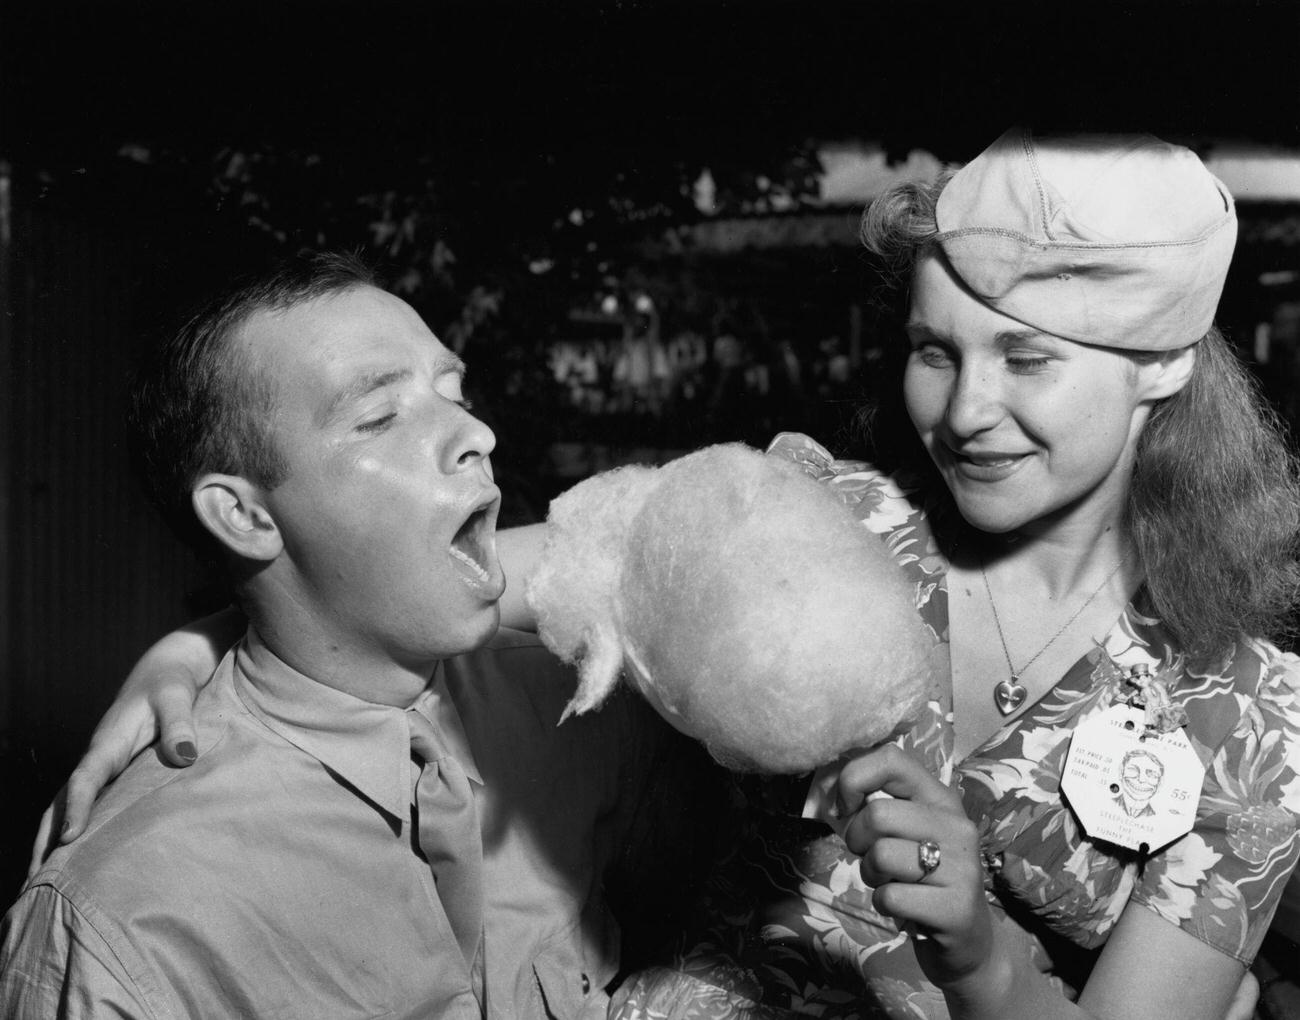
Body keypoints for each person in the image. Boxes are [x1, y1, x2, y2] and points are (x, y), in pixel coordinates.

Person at [31, 129, 1298, 1020]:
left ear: (1163, 366)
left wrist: (978, 960)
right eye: (929, 349)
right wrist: (198, 646)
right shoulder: (809, 514)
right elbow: (421, 594)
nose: (962, 411)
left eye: (1026, 360)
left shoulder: (1256, 725)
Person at [2, 252, 705, 1019]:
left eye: (454, 390)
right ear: (245, 517)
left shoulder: (579, 706)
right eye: (380, 416)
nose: (476, 430)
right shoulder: (126, 921)